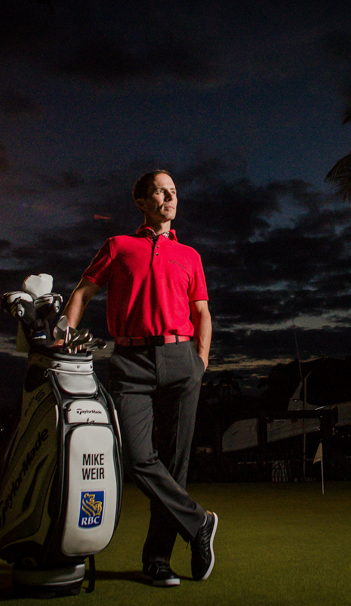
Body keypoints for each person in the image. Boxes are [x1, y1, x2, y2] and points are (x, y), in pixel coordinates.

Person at [60, 170, 217, 588]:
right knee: (137, 458)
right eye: (160, 192)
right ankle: (199, 522)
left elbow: (202, 313)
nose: (169, 198)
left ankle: (157, 561)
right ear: (142, 203)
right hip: (131, 363)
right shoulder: (118, 246)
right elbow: (81, 294)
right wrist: (64, 338)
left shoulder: (190, 256)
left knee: (175, 466)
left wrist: (200, 361)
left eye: (173, 192)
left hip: (181, 360)